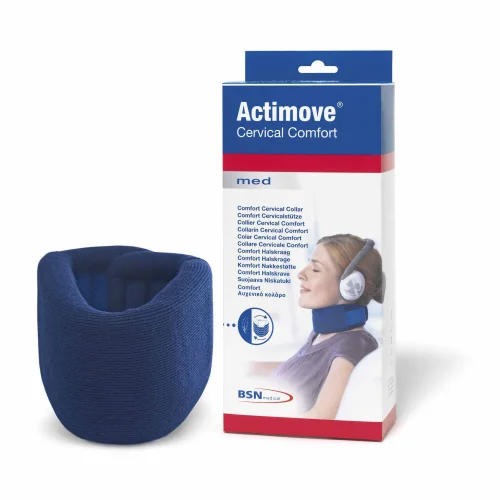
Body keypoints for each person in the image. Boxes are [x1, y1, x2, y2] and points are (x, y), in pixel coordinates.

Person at [271, 234, 384, 419]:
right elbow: (304, 369)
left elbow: (321, 417)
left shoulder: (353, 345)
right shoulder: (321, 334)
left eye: (315, 269)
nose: (301, 274)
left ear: (350, 285)